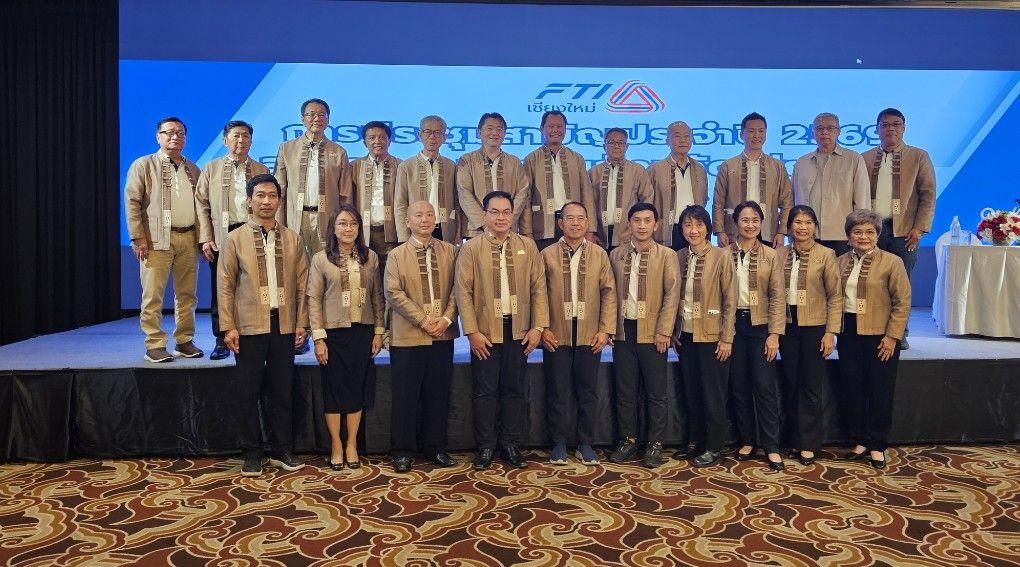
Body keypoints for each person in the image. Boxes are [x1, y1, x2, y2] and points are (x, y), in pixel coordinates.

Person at [217, 173, 309, 477]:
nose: (266, 201)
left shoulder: (293, 238)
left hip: (284, 324)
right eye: (260, 195)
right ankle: (252, 452)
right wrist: (228, 326)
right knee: (249, 391)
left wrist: (302, 323)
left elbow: (303, 284)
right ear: (249, 201)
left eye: (272, 196)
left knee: (282, 390)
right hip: (248, 326)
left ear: (279, 201)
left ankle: (283, 449)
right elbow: (225, 285)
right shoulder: (235, 238)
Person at [455, 190, 549, 470]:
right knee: (485, 391)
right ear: (484, 216)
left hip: (519, 331)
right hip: (485, 332)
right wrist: (471, 332)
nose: (500, 217)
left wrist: (538, 327)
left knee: (514, 389)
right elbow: (463, 292)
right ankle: (485, 446)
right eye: (494, 212)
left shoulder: (527, 246)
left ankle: (510, 444)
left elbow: (539, 288)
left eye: (506, 212)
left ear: (513, 215)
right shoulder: (472, 248)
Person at [308, 204, 385, 470]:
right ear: (333, 228)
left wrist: (379, 331)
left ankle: (351, 443)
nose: (348, 228)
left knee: (356, 388)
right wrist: (318, 339)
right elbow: (314, 300)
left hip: (362, 332)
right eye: (342, 223)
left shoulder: (370, 257)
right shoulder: (321, 259)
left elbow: (377, 296)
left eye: (353, 224)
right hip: (332, 334)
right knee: (334, 390)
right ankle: (336, 445)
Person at [385, 201, 460, 473]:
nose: (425, 219)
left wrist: (447, 319)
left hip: (442, 334)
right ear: (408, 222)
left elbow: (459, 288)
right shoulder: (396, 255)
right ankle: (403, 451)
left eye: (430, 215)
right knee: (405, 396)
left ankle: (435, 447)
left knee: (437, 394)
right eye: (418, 215)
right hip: (408, 336)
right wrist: (423, 320)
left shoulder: (450, 251)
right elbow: (393, 293)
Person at [540, 201, 616, 466]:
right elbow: (537, 294)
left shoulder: (599, 254)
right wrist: (542, 328)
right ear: (560, 223)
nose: (575, 223)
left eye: (580, 218)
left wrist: (605, 330)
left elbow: (609, 293)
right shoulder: (546, 254)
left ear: (587, 223)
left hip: (589, 333)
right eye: (569, 218)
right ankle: (559, 443)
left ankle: (585, 443)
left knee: (588, 391)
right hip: (556, 333)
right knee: (557, 390)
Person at [124, 116, 204, 363]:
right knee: (153, 295)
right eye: (169, 132)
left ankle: (184, 340)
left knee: (187, 295)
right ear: (158, 137)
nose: (175, 137)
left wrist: (203, 239)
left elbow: (203, 207)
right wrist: (138, 237)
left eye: (180, 133)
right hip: (155, 240)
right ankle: (155, 344)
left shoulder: (194, 169)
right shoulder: (143, 165)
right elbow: (132, 202)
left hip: (188, 238)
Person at [275, 98, 349, 354]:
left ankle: (326, 331)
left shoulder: (338, 152)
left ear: (328, 119)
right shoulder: (287, 148)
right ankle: (300, 332)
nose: (316, 118)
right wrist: (280, 225)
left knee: (328, 275)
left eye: (321, 114)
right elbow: (280, 190)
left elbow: (344, 195)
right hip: (297, 221)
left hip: (327, 222)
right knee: (297, 277)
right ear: (302, 119)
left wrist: (342, 227)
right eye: (311, 114)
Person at [607, 203, 679, 469]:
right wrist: (610, 327)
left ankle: (655, 443)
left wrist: (664, 330)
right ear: (629, 224)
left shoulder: (667, 255)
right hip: (624, 331)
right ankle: (628, 440)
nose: (642, 225)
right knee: (625, 391)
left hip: (653, 332)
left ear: (656, 225)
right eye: (636, 220)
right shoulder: (616, 254)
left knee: (656, 392)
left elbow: (672, 295)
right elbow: (609, 294)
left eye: (648, 220)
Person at [837, 209, 911, 470]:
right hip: (848, 333)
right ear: (848, 236)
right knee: (853, 388)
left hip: (881, 335)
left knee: (880, 390)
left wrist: (892, 337)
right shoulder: (840, 262)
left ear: (878, 235)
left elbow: (902, 302)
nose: (863, 237)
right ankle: (860, 439)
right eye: (857, 232)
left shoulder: (892, 262)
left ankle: (878, 444)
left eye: (869, 232)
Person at [860, 108, 936, 350]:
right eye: (885, 124)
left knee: (900, 285)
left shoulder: (918, 156)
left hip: (904, 232)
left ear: (904, 128)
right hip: (871, 232)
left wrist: (920, 228)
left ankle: (899, 333)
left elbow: (928, 195)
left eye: (896, 124)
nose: (890, 128)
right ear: (876, 129)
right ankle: (871, 331)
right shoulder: (865, 158)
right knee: (870, 283)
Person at [196, 120, 270, 360]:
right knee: (222, 289)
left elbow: (270, 204)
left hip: (252, 234)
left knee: (254, 286)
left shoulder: (261, 169)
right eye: (236, 135)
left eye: (246, 136)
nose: (241, 140)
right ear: (225, 140)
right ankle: (221, 339)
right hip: (221, 236)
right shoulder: (211, 168)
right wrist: (206, 238)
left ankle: (255, 335)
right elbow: (201, 204)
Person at [776, 205, 841, 466]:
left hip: (815, 326)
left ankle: (809, 444)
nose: (802, 227)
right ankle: (794, 439)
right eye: (797, 222)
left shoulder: (826, 254)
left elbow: (835, 297)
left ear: (815, 226)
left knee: (810, 386)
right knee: (791, 383)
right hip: (787, 325)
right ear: (789, 227)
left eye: (808, 222)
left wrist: (830, 332)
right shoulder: (779, 254)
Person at [672, 204, 735, 468]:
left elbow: (730, 300)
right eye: (688, 225)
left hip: (712, 337)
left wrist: (726, 337)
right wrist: (673, 331)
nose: (693, 230)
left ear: (708, 228)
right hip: (685, 336)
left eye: (699, 225)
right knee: (692, 392)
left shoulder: (721, 256)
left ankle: (714, 447)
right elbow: (672, 297)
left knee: (713, 395)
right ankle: (695, 441)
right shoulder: (677, 256)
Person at [726, 201, 786, 470]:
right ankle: (747, 440)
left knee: (764, 386)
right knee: (739, 385)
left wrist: (774, 334)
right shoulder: (723, 254)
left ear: (761, 224)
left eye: (755, 221)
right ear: (735, 223)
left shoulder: (771, 256)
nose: (750, 225)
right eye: (744, 220)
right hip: (732, 327)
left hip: (761, 327)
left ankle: (771, 445)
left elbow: (777, 297)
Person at [792, 112, 870, 257]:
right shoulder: (802, 162)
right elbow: (793, 199)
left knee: (840, 272)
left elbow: (862, 200)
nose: (824, 132)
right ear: (813, 133)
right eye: (820, 128)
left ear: (838, 131)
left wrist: (860, 233)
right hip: (806, 234)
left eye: (830, 128)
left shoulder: (853, 159)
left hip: (841, 235)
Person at [713, 112, 793, 248]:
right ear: (741, 135)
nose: (757, 135)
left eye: (761, 131)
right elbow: (718, 202)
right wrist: (720, 231)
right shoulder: (728, 166)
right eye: (751, 131)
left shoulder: (777, 166)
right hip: (734, 231)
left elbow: (787, 202)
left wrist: (782, 232)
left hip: (768, 232)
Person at [522, 111, 597, 249]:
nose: (555, 130)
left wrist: (590, 229)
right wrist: (527, 232)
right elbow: (525, 198)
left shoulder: (577, 158)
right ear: (542, 129)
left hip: (573, 224)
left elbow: (587, 196)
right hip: (542, 227)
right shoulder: (531, 159)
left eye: (559, 126)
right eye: (551, 126)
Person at [457, 113, 530, 239]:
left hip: (507, 229)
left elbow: (522, 193)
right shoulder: (467, 160)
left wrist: (506, 220)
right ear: (479, 132)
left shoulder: (515, 162)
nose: (494, 133)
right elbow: (464, 193)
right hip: (476, 231)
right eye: (490, 128)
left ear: (504, 134)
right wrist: (485, 223)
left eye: (499, 129)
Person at [345, 121, 402, 276]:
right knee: (365, 275)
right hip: (363, 232)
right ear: (365, 142)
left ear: (389, 141)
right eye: (372, 138)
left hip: (391, 233)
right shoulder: (354, 166)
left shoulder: (401, 166)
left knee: (390, 276)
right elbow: (347, 200)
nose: (377, 141)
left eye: (382, 137)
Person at [394, 115, 460, 245]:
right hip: (416, 229)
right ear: (419, 135)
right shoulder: (406, 166)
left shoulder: (451, 165)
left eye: (437, 133)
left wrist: (458, 233)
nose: (432, 137)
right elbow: (400, 204)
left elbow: (458, 202)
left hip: (445, 229)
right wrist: (404, 237)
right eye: (427, 132)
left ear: (445, 137)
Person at [588, 128, 654, 251]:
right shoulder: (594, 172)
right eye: (612, 142)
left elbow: (647, 200)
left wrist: (640, 229)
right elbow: (588, 204)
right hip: (600, 236)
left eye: (620, 143)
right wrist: (590, 231)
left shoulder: (637, 170)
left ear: (627, 146)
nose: (616, 146)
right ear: (604, 146)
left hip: (629, 234)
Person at [647, 121, 708, 250]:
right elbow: (647, 204)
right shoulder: (655, 170)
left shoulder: (700, 169)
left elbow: (703, 199)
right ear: (667, 141)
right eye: (677, 136)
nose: (682, 140)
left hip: (694, 232)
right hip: (666, 232)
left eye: (686, 136)